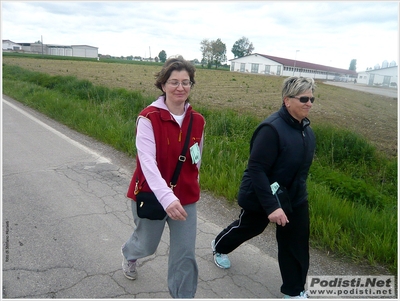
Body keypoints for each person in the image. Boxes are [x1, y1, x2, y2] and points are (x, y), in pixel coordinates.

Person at [211, 76, 316, 299]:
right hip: (263, 194)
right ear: (287, 100)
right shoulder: (271, 129)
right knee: (250, 227)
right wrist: (271, 206)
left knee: (295, 242)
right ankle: (219, 246)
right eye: (304, 98)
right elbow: (257, 169)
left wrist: (298, 197)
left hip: (294, 197)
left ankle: (294, 291)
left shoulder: (306, 130)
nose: (309, 103)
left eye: (312, 99)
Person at [122, 56, 206, 298]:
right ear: (162, 85)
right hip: (152, 194)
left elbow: (196, 157)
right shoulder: (149, 117)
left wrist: (193, 183)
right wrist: (167, 197)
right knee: (146, 245)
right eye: (174, 82)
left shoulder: (197, 120)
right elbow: (146, 163)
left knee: (185, 254)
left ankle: (183, 295)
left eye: (186, 82)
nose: (180, 88)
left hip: (186, 198)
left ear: (191, 85)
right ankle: (130, 253)